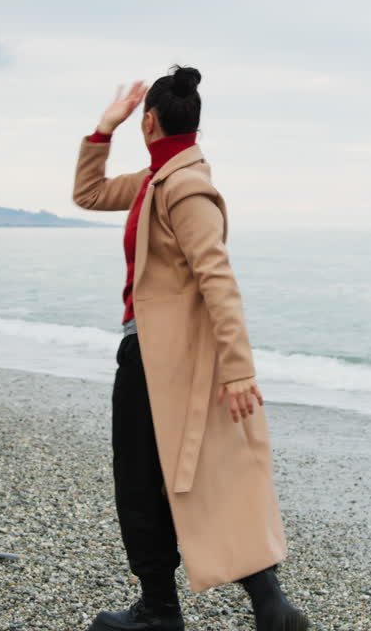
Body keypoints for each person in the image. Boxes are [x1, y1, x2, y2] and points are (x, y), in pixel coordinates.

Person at [73, 66, 310, 631]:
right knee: (195, 476)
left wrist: (238, 371)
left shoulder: (185, 187)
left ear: (149, 121)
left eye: (136, 120)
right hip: (162, 357)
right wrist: (102, 130)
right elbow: (88, 193)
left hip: (162, 360)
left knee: (143, 480)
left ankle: (162, 610)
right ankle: (269, 606)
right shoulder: (158, 178)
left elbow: (218, 278)